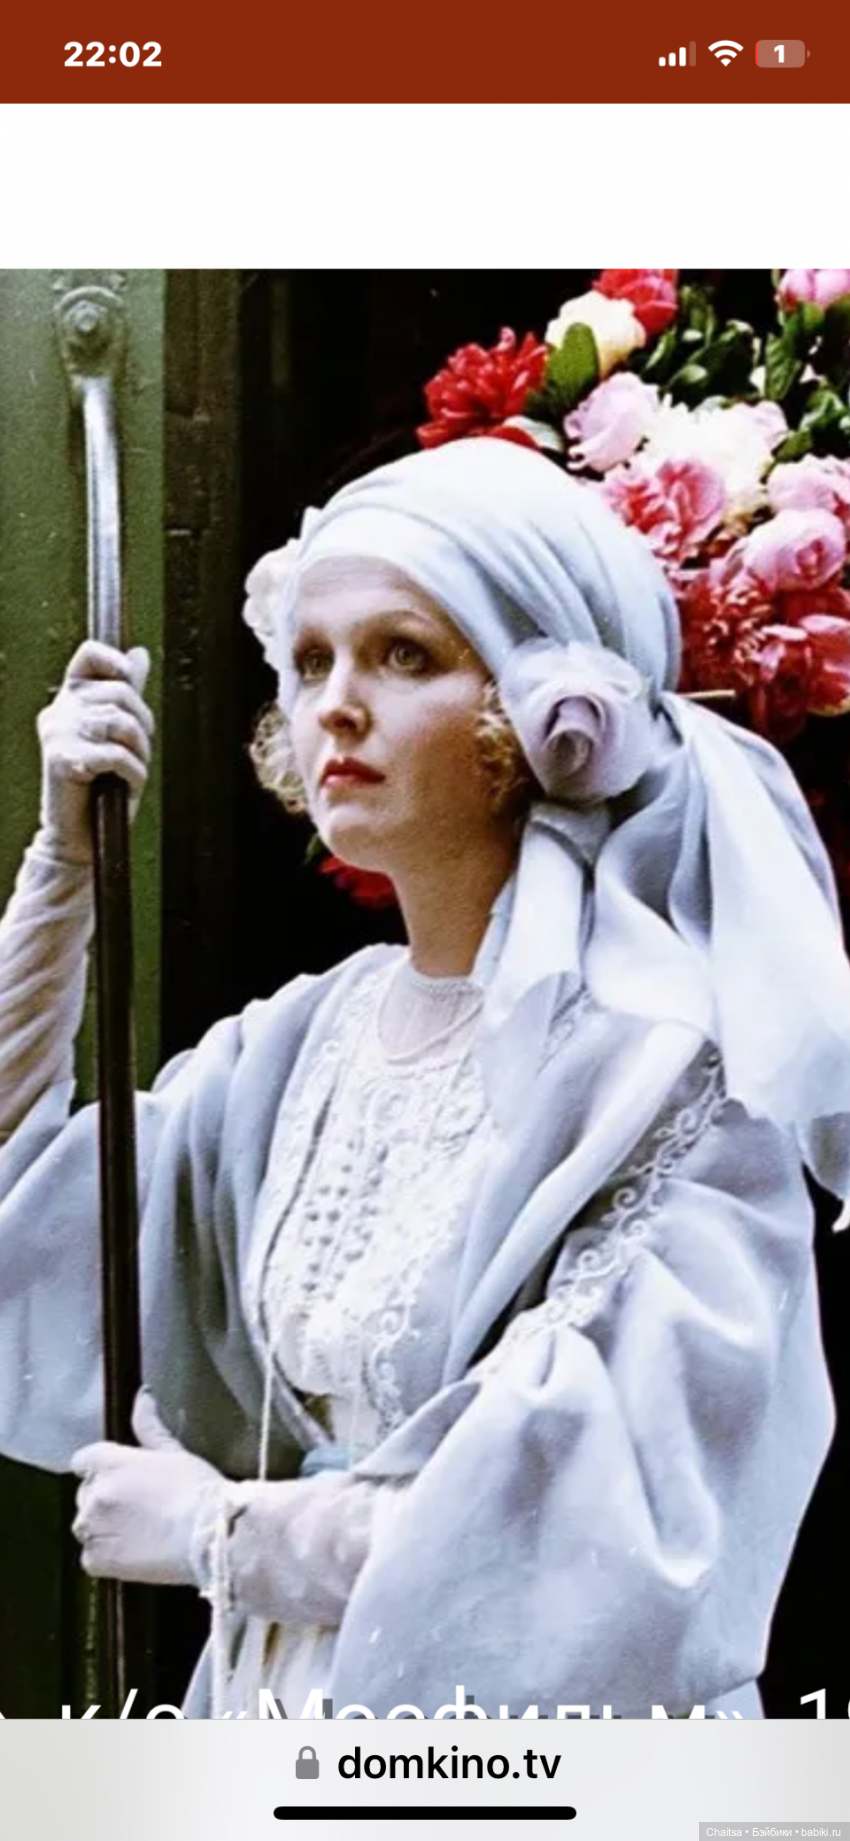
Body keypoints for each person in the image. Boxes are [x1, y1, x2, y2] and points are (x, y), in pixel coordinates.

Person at [1, 435, 849, 1722]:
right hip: (275, 1710)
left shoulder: (669, 1077)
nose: (335, 704)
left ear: (535, 708)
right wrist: (61, 873)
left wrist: (224, 1533)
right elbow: (25, 1210)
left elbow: (599, 1536)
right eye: (310, 661)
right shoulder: (301, 1041)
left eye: (403, 655)